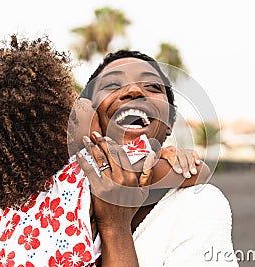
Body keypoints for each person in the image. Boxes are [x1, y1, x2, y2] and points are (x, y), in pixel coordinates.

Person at [0, 35, 208, 267]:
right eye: (78, 102)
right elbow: (194, 172)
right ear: (68, 129)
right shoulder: (94, 169)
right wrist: (168, 156)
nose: (85, 102)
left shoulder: (17, 205)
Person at [77, 50, 238, 266]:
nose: (133, 90)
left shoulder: (196, 205)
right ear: (88, 115)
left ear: (170, 123)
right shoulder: (46, 186)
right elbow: (199, 171)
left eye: (152, 87)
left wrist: (115, 226)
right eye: (112, 85)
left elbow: (198, 171)